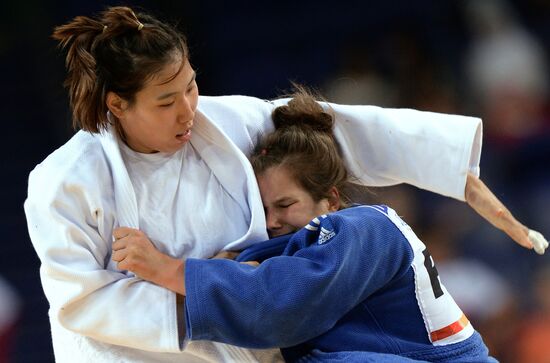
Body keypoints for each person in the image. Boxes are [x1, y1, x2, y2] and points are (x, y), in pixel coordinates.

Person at [24, 6, 545, 363]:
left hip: (256, 336)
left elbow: (330, 128)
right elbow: (80, 303)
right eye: (166, 101)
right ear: (117, 105)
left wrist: (456, 171)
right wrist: (205, 293)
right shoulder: (64, 185)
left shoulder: (227, 126)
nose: (188, 110)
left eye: (191, 86)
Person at [113, 89, 540, 362]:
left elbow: (282, 301)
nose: (272, 222)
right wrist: (234, 264)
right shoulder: (314, 245)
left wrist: (168, 269)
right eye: (261, 210)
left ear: (330, 199)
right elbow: (275, 272)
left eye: (285, 204)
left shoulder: (365, 227)